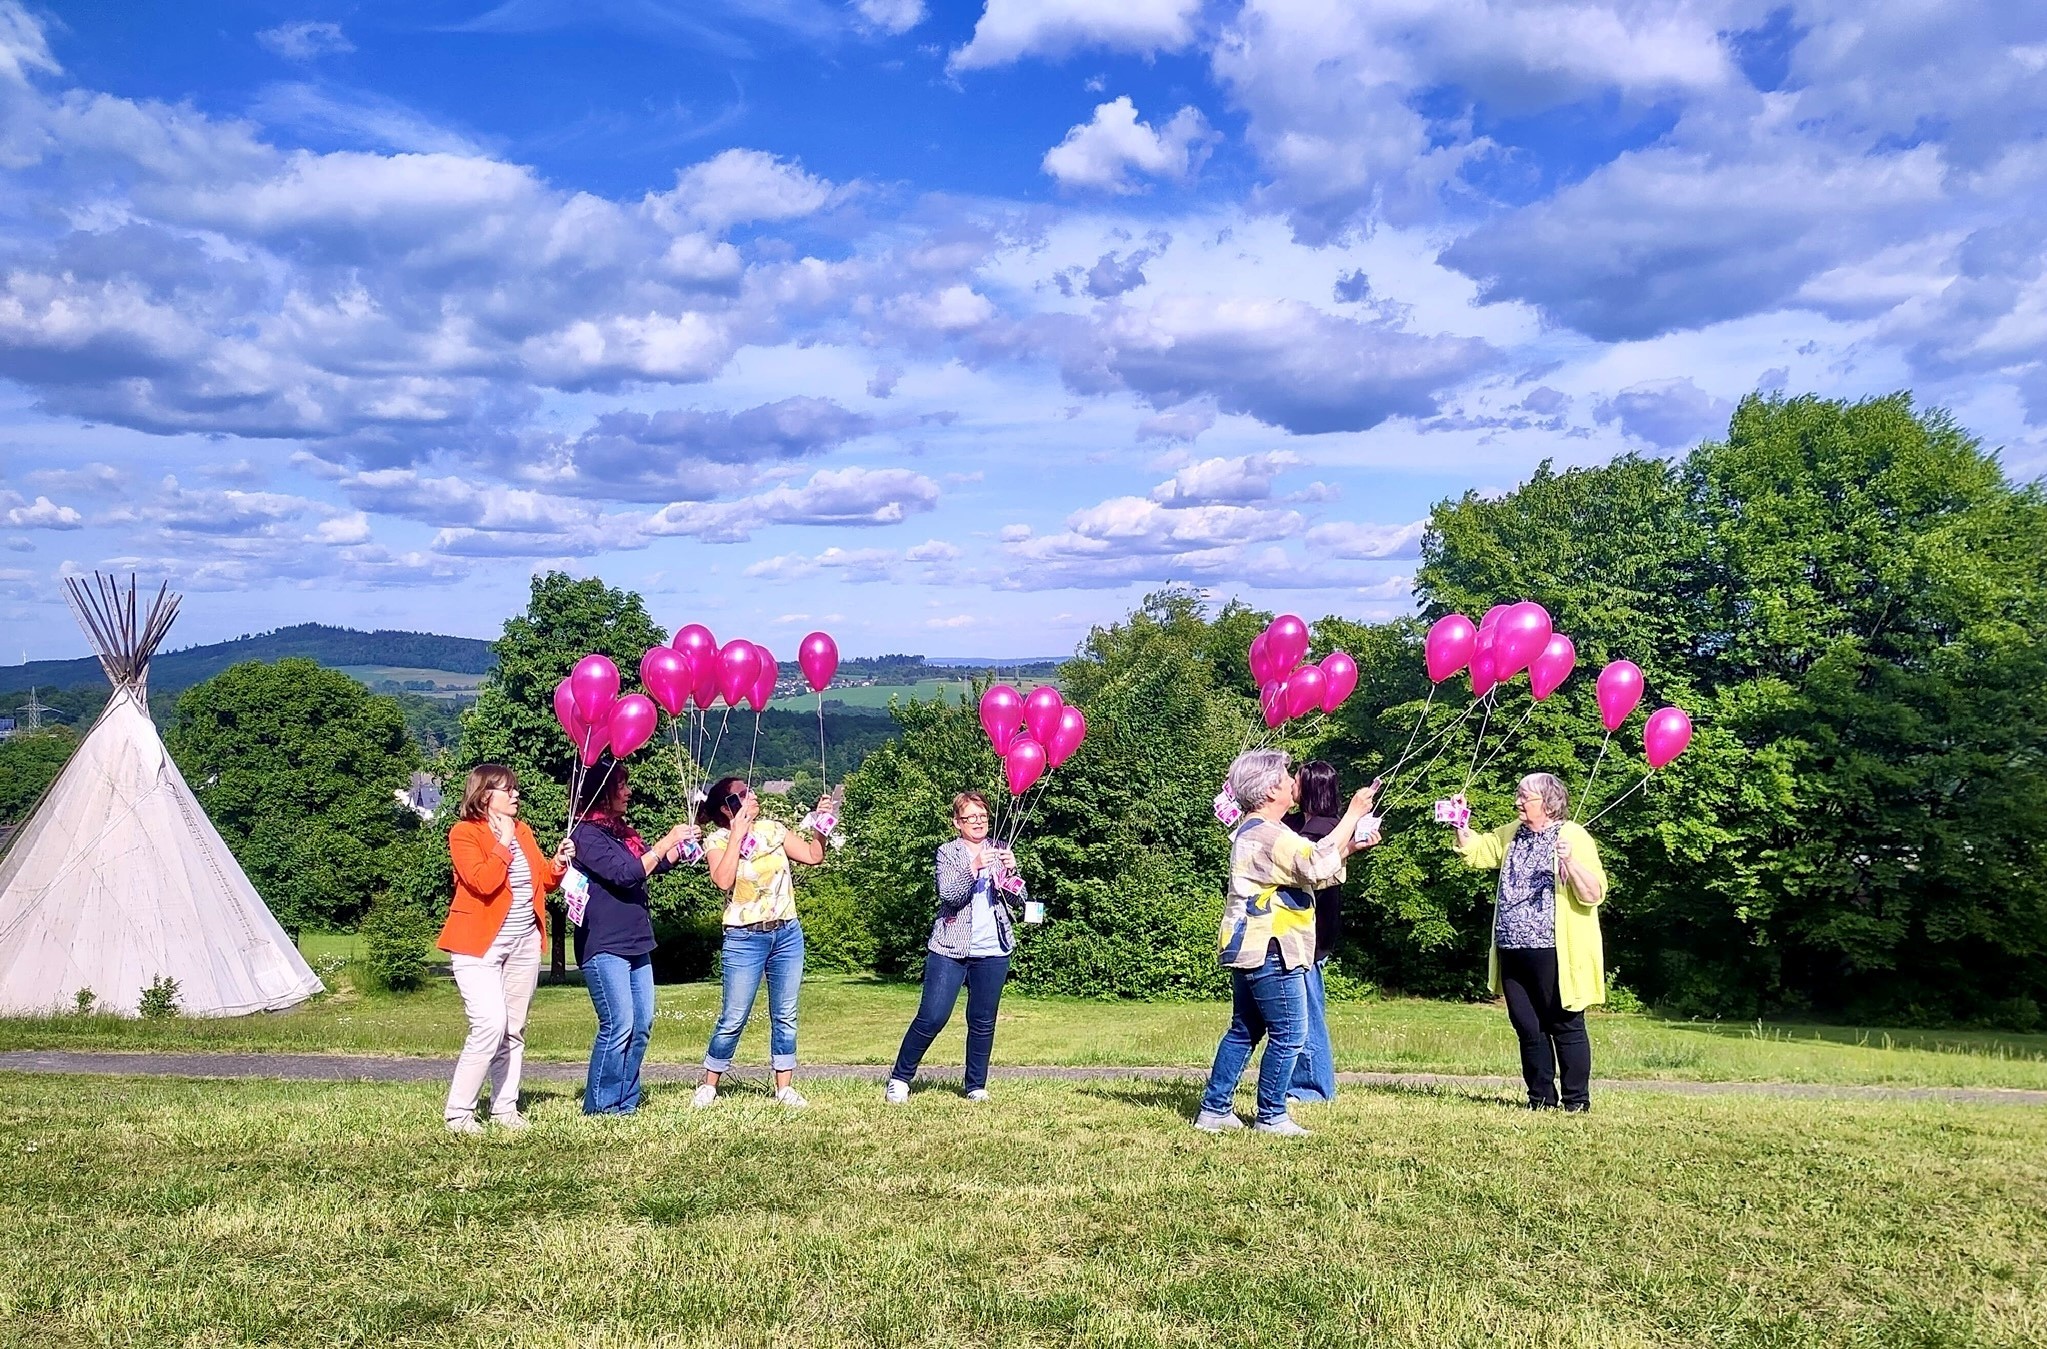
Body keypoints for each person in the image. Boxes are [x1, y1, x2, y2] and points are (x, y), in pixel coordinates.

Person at [1196, 749, 1381, 1137]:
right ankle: (1271, 1115)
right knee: (1291, 1033)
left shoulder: (1254, 830)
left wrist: (1347, 848)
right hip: (1272, 946)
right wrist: (1353, 814)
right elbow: (1313, 864)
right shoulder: (1270, 833)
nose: (1291, 781)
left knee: (1245, 1030)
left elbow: (1305, 874)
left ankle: (1215, 1110)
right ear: (1268, 790)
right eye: (1284, 776)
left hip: (1251, 944)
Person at [1450, 771, 1609, 1111]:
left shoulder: (1573, 836)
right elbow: (1477, 852)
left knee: (1564, 1024)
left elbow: (1594, 893)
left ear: (1548, 803)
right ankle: (1540, 1100)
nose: (1518, 801)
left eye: (1525, 797)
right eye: (1518, 795)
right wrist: (1460, 821)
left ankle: (1576, 1102)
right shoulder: (1512, 833)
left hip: (1554, 951)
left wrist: (1569, 861)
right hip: (1512, 947)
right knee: (1527, 1026)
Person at [439, 765, 574, 1134]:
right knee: (489, 1025)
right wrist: (503, 842)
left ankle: (505, 1109)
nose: (516, 795)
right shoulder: (464, 833)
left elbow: (541, 881)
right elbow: (483, 882)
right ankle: (459, 1113)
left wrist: (558, 864)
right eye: (507, 789)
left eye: (516, 788)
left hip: (523, 942)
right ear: (485, 796)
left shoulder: (524, 831)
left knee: (514, 1028)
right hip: (476, 946)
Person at [568, 761, 698, 1116]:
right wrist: (666, 841)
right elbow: (626, 874)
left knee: (641, 1025)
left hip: (637, 941)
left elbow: (649, 863)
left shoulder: (621, 833)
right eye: (621, 785)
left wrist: (678, 848)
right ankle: (600, 1105)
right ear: (603, 791)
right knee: (619, 1023)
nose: (628, 792)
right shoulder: (586, 836)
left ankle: (625, 1102)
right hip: (604, 944)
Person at [692, 776, 827, 1109]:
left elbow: (813, 856)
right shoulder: (718, 839)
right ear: (728, 808)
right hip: (744, 937)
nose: (751, 795)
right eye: (742, 794)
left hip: (786, 933)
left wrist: (821, 825)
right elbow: (722, 880)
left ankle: (784, 1088)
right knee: (734, 1016)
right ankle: (710, 1083)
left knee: (786, 1014)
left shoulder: (773, 830)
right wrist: (738, 832)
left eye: (749, 789)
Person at [884, 791, 1026, 1104]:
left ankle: (976, 1085)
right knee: (933, 1016)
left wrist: (1012, 872)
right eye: (969, 817)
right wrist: (973, 867)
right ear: (956, 822)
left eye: (982, 816)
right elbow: (949, 894)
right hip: (950, 949)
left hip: (994, 950)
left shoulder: (1002, 848)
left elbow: (1019, 900)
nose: (978, 822)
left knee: (983, 1021)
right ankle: (900, 1078)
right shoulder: (948, 852)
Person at [1281, 760, 1343, 1104]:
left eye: (1297, 780)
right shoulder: (1294, 823)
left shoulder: (1324, 829)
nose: (1291, 784)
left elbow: (1299, 864)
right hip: (1294, 927)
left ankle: (1313, 1087)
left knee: (1307, 1009)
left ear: (1311, 788)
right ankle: (1300, 1082)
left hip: (1313, 932)